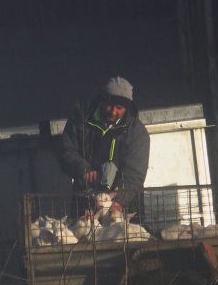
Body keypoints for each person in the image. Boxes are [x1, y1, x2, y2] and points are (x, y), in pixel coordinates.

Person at [57, 76, 150, 216]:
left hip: (123, 206)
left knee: (124, 237)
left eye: (119, 108)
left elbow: (135, 173)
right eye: (109, 105)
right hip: (85, 202)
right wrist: (83, 169)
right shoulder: (80, 120)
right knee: (83, 236)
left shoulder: (137, 131)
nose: (113, 112)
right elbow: (66, 152)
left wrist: (119, 201)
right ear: (102, 101)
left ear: (127, 107)